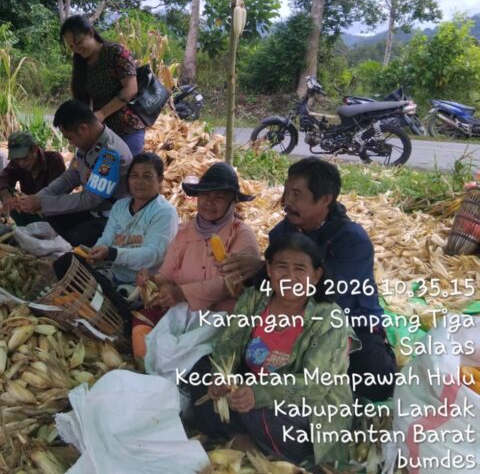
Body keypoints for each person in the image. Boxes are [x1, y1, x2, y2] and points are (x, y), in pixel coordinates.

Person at [221, 157, 396, 401]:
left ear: (325, 200)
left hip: (348, 322)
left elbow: (329, 294)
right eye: (286, 191)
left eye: (296, 195)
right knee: (242, 361)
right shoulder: (284, 231)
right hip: (290, 317)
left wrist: (260, 268)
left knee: (374, 381)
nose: (287, 201)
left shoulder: (351, 240)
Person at [187, 233, 352, 467]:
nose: (290, 277)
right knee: (201, 373)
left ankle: (244, 437)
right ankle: (241, 437)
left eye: (300, 269)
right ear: (268, 269)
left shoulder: (329, 319)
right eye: (281, 267)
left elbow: (315, 384)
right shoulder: (254, 299)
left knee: (261, 413)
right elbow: (229, 343)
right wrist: (222, 375)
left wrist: (258, 393)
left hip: (304, 406)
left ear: (316, 275)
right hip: (250, 386)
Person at [131, 161, 260, 357]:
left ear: (232, 202)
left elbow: (228, 283)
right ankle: (145, 362)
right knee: (142, 318)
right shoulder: (184, 232)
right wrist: (151, 280)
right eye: (205, 195)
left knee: (199, 351)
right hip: (181, 311)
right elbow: (167, 274)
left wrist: (182, 293)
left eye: (219, 197)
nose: (209, 202)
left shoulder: (241, 234)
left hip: (221, 316)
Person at [19, 100, 132, 247]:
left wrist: (43, 202)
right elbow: (71, 176)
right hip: (93, 210)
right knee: (51, 213)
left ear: (83, 129)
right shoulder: (88, 142)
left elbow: (91, 199)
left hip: (111, 215)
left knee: (76, 236)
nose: (70, 143)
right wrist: (40, 197)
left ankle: (89, 256)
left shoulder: (111, 153)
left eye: (70, 138)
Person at [86, 153, 178, 291]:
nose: (139, 181)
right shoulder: (120, 206)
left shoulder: (165, 212)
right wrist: (95, 251)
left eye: (146, 176)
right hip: (114, 273)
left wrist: (112, 253)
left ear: (159, 179)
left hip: (144, 283)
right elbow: (107, 238)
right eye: (134, 175)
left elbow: (153, 254)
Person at [60, 15, 146, 156]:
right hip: (102, 133)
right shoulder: (81, 62)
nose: (77, 49)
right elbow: (81, 101)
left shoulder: (116, 52)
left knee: (124, 169)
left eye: (78, 42)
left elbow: (131, 89)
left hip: (128, 129)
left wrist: (102, 113)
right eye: (72, 47)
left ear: (90, 32)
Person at [0, 131, 66, 226]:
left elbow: (56, 192)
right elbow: (1, 180)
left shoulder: (54, 160)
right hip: (28, 212)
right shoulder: (16, 163)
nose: (21, 163)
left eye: (25, 158)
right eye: (17, 159)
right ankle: (25, 226)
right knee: (10, 193)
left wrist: (38, 201)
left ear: (34, 149)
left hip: (51, 214)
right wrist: (6, 197)